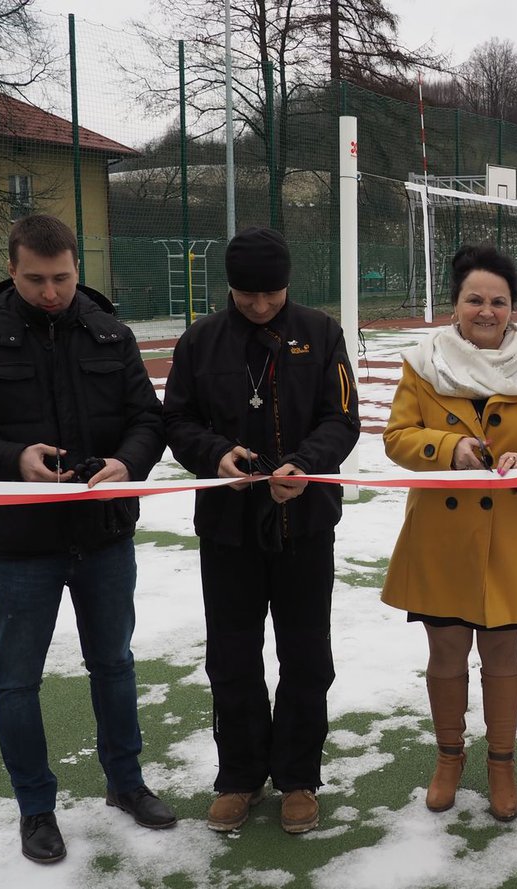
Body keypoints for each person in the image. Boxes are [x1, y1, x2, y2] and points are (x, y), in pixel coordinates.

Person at [0, 214, 173, 864]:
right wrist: (14, 459)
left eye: (62, 277)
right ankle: (36, 808)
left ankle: (126, 783)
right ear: (12, 270)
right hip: (21, 545)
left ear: (77, 268)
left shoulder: (111, 333)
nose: (52, 291)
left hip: (105, 536)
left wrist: (128, 462)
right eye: (36, 279)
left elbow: (149, 420)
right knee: (17, 680)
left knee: (114, 664)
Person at [163, 227, 359, 835]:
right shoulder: (200, 341)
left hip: (306, 524)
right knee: (232, 656)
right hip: (228, 529)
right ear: (229, 286)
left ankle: (298, 777)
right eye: (247, 294)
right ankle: (240, 777)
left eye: (271, 293)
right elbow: (177, 420)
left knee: (306, 654)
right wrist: (214, 454)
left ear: (287, 283)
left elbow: (342, 418)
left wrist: (305, 464)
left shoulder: (322, 333)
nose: (259, 304)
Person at [380, 244, 517, 822]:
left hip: (509, 536)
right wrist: (447, 447)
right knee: (446, 650)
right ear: (456, 304)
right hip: (441, 537)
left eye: (498, 301)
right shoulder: (423, 363)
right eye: (474, 300)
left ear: (513, 307)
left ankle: (501, 764)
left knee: (503, 653)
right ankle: (448, 758)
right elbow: (397, 437)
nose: (486, 311)